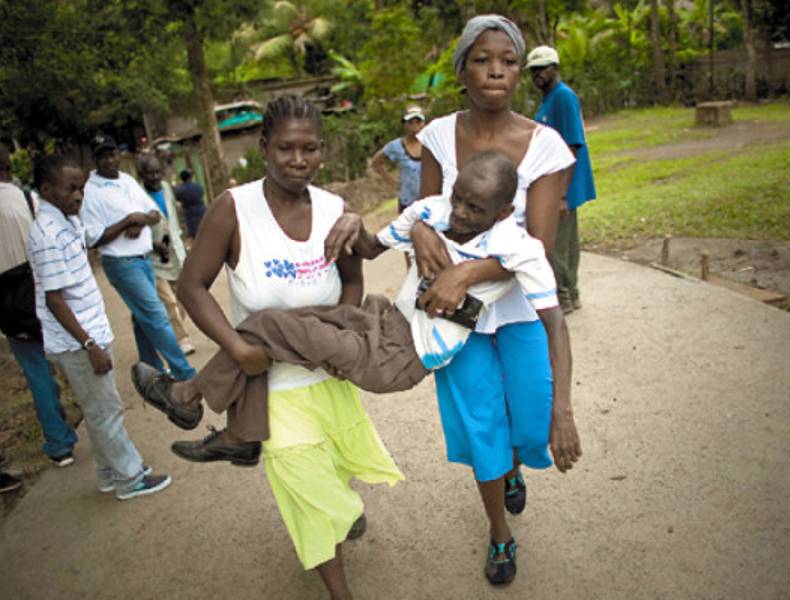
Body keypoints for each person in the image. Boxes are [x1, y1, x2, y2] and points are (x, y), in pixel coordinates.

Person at [333, 14, 582, 584]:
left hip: (517, 310)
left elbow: (539, 247)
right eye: (482, 59)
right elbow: (427, 216)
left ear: (521, 71)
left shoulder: (545, 147)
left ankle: (514, 468)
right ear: (462, 68)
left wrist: (466, 273)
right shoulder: (440, 136)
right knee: (481, 425)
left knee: (527, 419)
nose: (496, 70)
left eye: (509, 61)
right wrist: (418, 232)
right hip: (455, 323)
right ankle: (499, 533)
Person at [132, 151, 564, 454]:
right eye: (459, 199)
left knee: (269, 327)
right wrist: (356, 219)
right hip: (379, 317)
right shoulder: (432, 211)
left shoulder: (520, 248)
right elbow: (372, 247)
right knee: (271, 325)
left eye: (477, 208)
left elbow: (556, 327)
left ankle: (191, 398)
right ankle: (239, 431)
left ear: (505, 211)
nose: (462, 214)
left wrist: (562, 411)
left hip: (400, 357)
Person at [169, 95, 402, 600]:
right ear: (264, 148)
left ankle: (188, 399)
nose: (299, 160)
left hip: (328, 374)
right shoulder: (234, 209)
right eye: (286, 149)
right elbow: (191, 286)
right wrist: (235, 345)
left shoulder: (334, 211)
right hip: (272, 387)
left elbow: (352, 284)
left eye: (311, 149)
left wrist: (343, 343)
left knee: (335, 475)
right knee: (309, 498)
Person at [27, 154, 172, 500]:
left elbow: (91, 242)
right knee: (107, 411)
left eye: (81, 188)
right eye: (70, 189)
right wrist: (89, 344)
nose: (79, 195)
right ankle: (129, 477)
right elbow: (55, 300)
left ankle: (109, 474)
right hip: (79, 340)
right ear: (46, 190)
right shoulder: (48, 234)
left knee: (98, 409)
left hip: (85, 333)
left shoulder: (65, 220)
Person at [80, 134, 195, 382]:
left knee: (142, 318)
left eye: (112, 153)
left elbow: (153, 214)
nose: (110, 159)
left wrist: (139, 219)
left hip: (144, 259)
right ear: (95, 158)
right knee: (157, 315)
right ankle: (185, 374)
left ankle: (150, 369)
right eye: (103, 155)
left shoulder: (128, 181)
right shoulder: (91, 192)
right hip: (122, 263)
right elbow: (93, 239)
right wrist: (127, 222)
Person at [0, 142, 77, 467]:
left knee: (36, 371)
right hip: (43, 292)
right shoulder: (26, 198)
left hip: (7, 303)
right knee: (72, 357)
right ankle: (92, 418)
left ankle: (59, 445)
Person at [527, 45, 596, 313]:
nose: (537, 74)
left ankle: (566, 296)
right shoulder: (548, 99)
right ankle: (569, 293)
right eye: (533, 70)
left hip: (563, 184)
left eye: (542, 68)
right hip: (552, 183)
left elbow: (573, 145)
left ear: (555, 68)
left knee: (558, 243)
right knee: (561, 240)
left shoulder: (563, 97)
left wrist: (563, 194)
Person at [136, 153, 195, 355]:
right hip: (154, 257)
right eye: (149, 173)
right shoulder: (136, 195)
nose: (154, 177)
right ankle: (182, 338)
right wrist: (152, 244)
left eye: (157, 172)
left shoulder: (167, 188)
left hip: (176, 251)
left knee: (183, 297)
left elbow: (174, 218)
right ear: (141, 175)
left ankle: (172, 329)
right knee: (168, 301)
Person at [369, 105, 425, 214]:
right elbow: (376, 162)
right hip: (407, 201)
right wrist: (391, 181)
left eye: (418, 122)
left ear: (424, 124)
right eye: (410, 122)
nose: (414, 126)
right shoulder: (396, 146)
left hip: (430, 200)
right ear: (405, 124)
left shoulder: (431, 144)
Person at [173, 169, 206, 239]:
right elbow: (202, 193)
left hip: (189, 213)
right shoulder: (197, 186)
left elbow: (178, 199)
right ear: (190, 177)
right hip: (201, 210)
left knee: (194, 233)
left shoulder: (180, 189)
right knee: (204, 229)